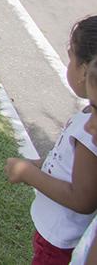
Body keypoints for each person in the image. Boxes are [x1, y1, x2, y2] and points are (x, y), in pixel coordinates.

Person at [6, 16, 97, 263]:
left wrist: (27, 173)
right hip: (55, 236)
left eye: (71, 57)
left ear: (85, 71)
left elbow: (82, 197)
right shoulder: (89, 116)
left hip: (60, 242)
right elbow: (72, 168)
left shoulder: (91, 134)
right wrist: (42, 164)